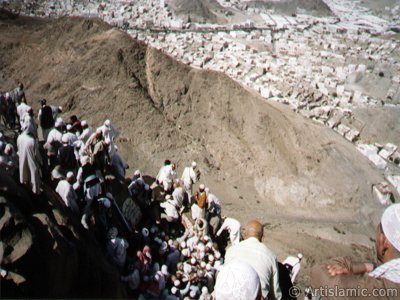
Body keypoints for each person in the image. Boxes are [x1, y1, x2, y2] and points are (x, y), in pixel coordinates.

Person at [310, 203, 400, 300]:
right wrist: (370, 267)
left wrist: (353, 267)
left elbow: (319, 272)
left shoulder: (377, 290)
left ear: (384, 241)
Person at [224, 220, 282, 300]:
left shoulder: (231, 250)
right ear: (262, 238)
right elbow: (275, 294)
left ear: (244, 235)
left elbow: (224, 278)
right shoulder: (270, 256)